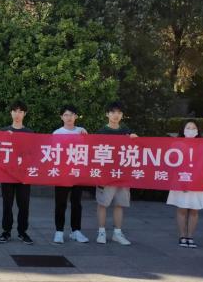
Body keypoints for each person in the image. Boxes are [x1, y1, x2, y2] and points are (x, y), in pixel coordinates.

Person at [167, 119, 203, 248]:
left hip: (198, 180)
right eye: (188, 128)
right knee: (181, 208)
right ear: (183, 130)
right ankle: (182, 236)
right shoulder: (176, 144)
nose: (191, 130)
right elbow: (172, 164)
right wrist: (182, 181)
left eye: (194, 128)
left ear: (198, 131)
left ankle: (190, 236)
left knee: (194, 210)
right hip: (181, 179)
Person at [95, 101, 138, 245]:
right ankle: (101, 232)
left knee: (120, 203)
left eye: (119, 112)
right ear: (107, 114)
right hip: (106, 174)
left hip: (123, 174)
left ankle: (117, 233)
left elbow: (137, 150)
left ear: (122, 115)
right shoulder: (101, 132)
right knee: (103, 203)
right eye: (113, 112)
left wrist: (135, 139)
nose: (116, 115)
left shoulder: (127, 131)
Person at [0, 100, 34, 244]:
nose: (17, 114)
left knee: (24, 204)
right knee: (7, 204)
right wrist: (4, 138)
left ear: (25, 114)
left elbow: (33, 153)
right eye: (15, 111)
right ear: (10, 113)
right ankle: (6, 231)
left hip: (23, 175)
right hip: (7, 174)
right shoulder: (3, 131)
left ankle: (22, 232)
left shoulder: (29, 133)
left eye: (20, 111)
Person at [52, 104, 89, 244]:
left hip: (77, 173)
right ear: (61, 117)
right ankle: (59, 231)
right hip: (62, 173)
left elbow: (88, 150)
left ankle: (76, 231)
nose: (69, 117)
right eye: (66, 115)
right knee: (60, 203)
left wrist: (86, 137)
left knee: (76, 203)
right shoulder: (57, 133)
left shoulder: (81, 132)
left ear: (76, 117)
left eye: (72, 115)